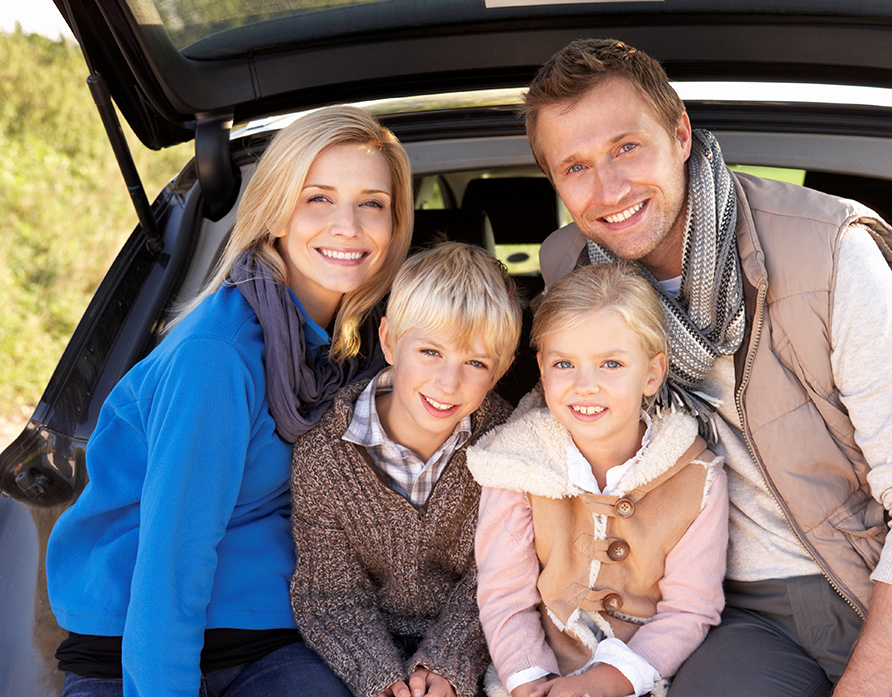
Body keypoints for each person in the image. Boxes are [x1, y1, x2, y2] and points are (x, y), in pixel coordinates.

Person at [525, 38, 892, 697]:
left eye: (626, 147)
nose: (608, 189)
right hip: (742, 614)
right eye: (575, 166)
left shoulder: (827, 251)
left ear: (680, 134)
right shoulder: (574, 274)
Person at [45, 105, 413, 697]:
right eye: (317, 198)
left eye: (373, 203)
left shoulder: (366, 353)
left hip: (268, 636)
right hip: (138, 647)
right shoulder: (217, 356)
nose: (348, 225)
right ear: (274, 215)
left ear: (395, 224)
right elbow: (171, 561)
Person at [469, 262, 728, 697]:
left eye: (610, 364)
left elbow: (690, 609)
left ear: (651, 373)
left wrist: (605, 683)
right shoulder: (515, 465)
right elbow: (504, 597)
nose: (585, 385)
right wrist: (530, 680)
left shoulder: (696, 478)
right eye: (565, 363)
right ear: (542, 369)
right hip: (540, 671)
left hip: (646, 672)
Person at [289, 241, 522, 697]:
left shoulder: (509, 444)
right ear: (390, 340)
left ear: (502, 370)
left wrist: (448, 663)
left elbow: (503, 575)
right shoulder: (325, 457)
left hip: (478, 645)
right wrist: (381, 681)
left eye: (476, 363)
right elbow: (331, 595)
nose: (448, 383)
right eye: (431, 352)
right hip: (360, 650)